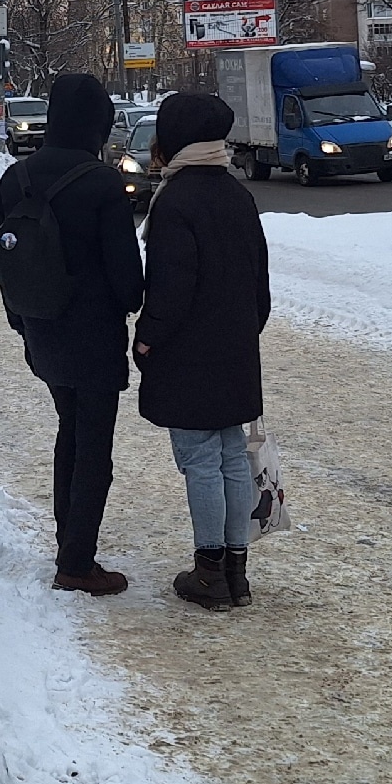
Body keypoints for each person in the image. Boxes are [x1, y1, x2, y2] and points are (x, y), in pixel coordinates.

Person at [0, 73, 143, 594]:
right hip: (94, 335)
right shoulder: (101, 183)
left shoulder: (17, 178)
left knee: (68, 433)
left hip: (43, 330)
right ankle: (77, 562)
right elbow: (127, 281)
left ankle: (69, 545)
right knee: (93, 445)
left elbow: (3, 258)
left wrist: (24, 322)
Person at [131, 91, 270, 611]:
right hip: (235, 350)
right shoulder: (238, 194)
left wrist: (148, 337)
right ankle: (236, 571)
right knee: (233, 456)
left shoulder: (175, 201)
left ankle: (208, 571)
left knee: (199, 461)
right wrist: (240, 333)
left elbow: (171, 287)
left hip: (188, 354)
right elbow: (261, 286)